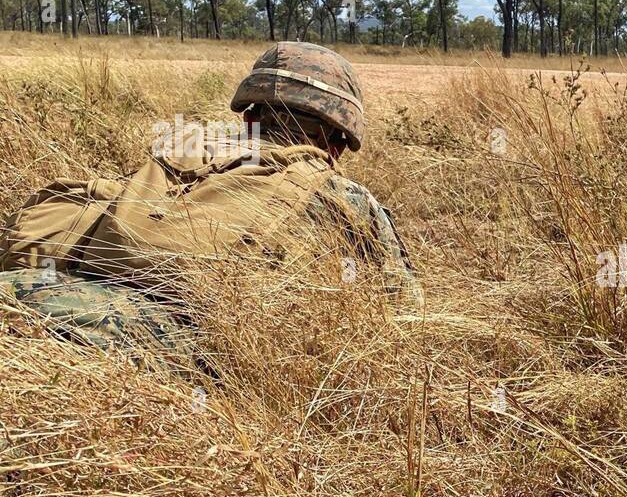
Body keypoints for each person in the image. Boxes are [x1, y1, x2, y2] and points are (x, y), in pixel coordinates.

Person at [0, 42, 421, 365]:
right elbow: (404, 312)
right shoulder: (345, 198)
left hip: (32, 293)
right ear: (335, 142)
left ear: (249, 118)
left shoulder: (185, 149)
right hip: (154, 346)